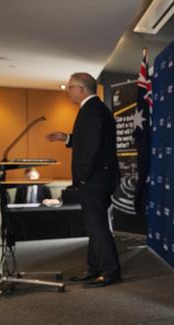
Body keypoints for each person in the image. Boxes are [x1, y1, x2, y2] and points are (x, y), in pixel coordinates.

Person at [46, 72, 121, 288]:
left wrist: (82, 178)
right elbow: (88, 139)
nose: (67, 90)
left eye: (70, 87)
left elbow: (91, 149)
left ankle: (110, 271)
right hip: (99, 177)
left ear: (81, 89)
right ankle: (94, 268)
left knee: (97, 227)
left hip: (94, 179)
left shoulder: (92, 110)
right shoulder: (93, 108)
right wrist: (67, 138)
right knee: (93, 226)